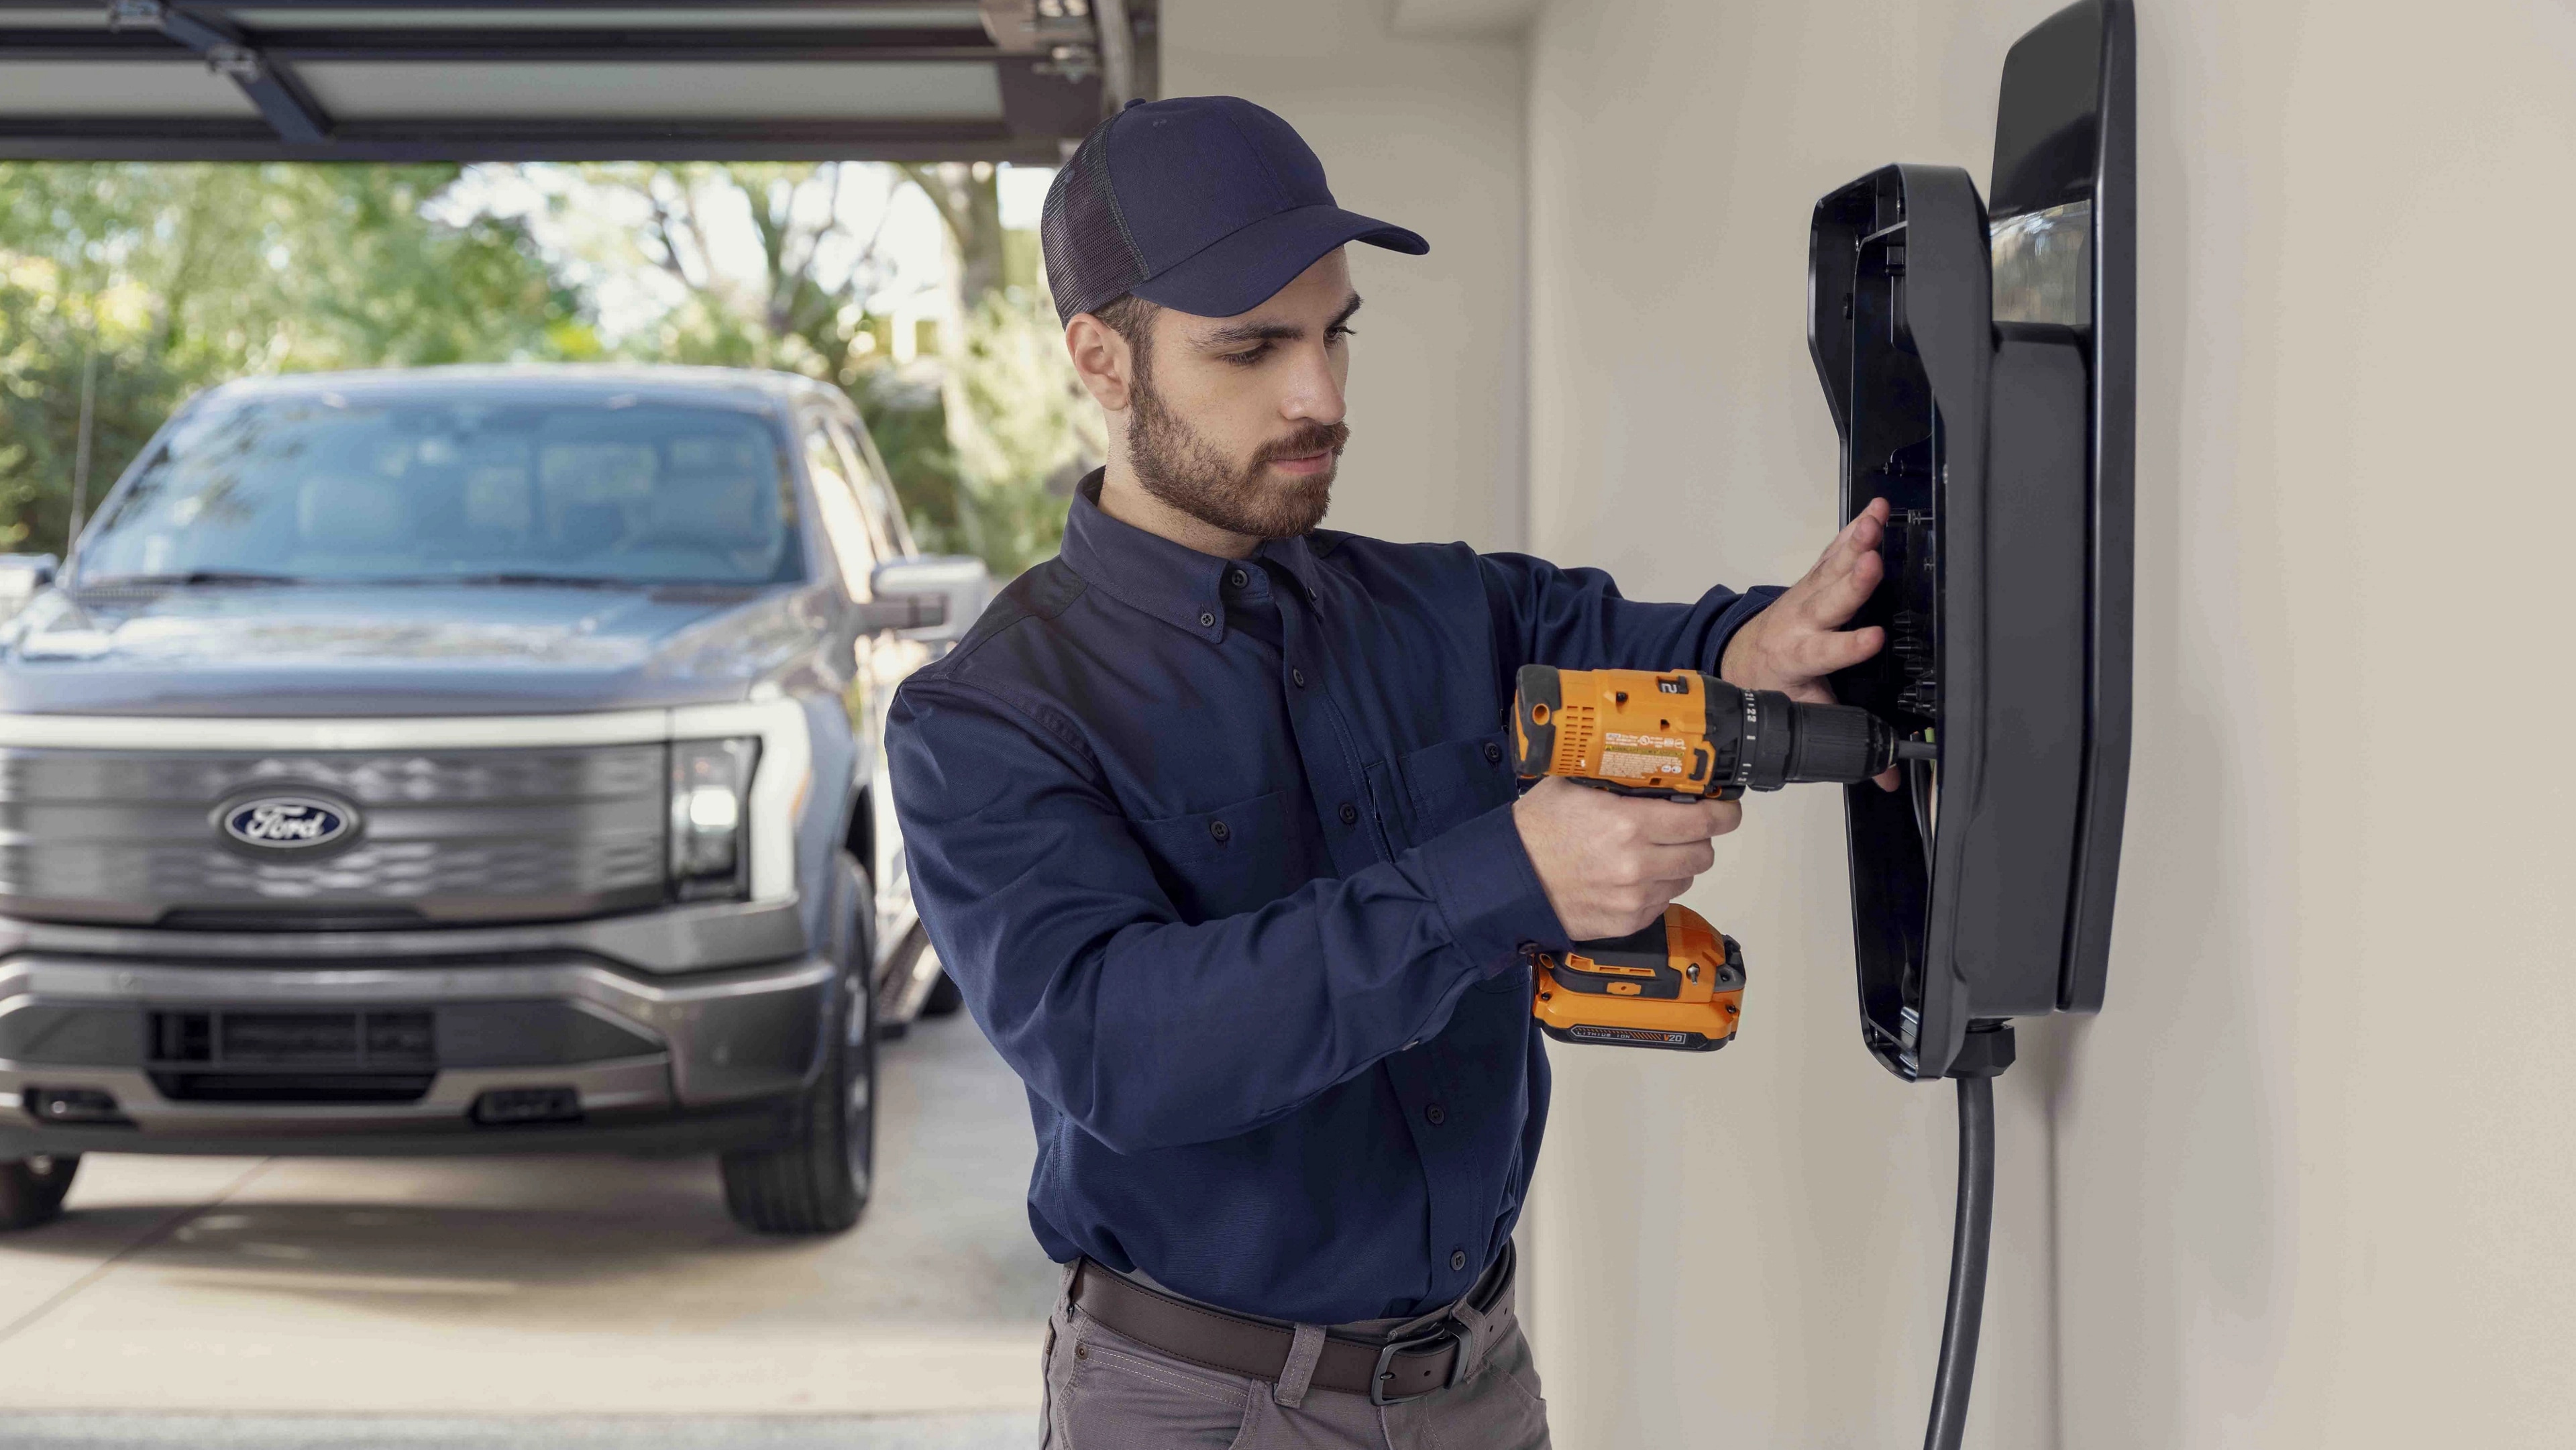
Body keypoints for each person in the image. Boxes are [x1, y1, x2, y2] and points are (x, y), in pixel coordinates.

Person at [885, 95, 1893, 1450]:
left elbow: (1682, 651)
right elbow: (1121, 1047)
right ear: (1101, 359)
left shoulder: (1445, 611)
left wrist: (1766, 641)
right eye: (1252, 348)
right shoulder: (990, 716)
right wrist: (1509, 873)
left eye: (1332, 333)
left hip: (1477, 1377)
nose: (1320, 397)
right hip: (1200, 1407)